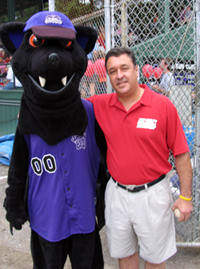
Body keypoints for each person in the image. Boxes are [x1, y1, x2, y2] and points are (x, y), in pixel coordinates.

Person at [88, 47, 193, 269]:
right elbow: (66, 106)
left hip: (153, 195)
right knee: (124, 255)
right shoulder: (100, 105)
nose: (119, 75)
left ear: (136, 70)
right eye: (113, 71)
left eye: (124, 68)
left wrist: (185, 197)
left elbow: (182, 153)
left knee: (155, 259)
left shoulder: (162, 105)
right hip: (117, 194)